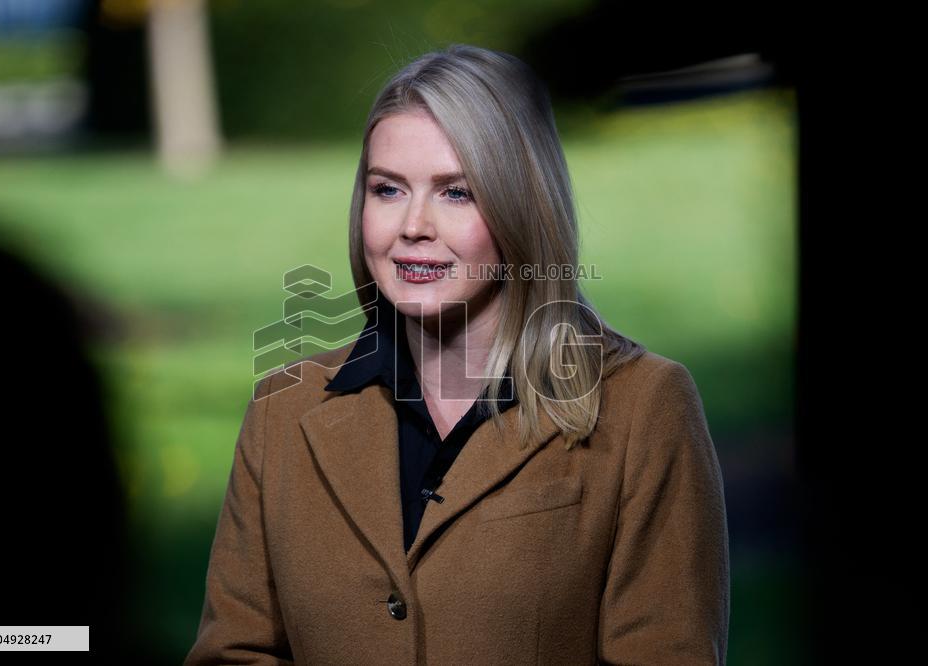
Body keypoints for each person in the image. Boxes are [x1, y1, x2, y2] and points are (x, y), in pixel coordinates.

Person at [185, 44, 729, 665]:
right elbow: (233, 652)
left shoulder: (644, 406)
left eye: (456, 193)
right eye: (387, 190)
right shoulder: (283, 408)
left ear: (522, 208)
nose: (413, 226)